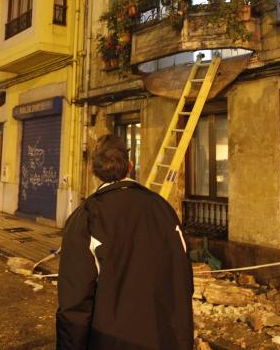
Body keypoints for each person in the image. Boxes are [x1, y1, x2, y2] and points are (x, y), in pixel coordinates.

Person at [56, 134, 194, 349]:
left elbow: (74, 301)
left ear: (93, 171)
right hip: (165, 337)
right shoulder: (163, 209)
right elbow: (183, 279)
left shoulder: (86, 217)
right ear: (130, 166)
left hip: (112, 340)